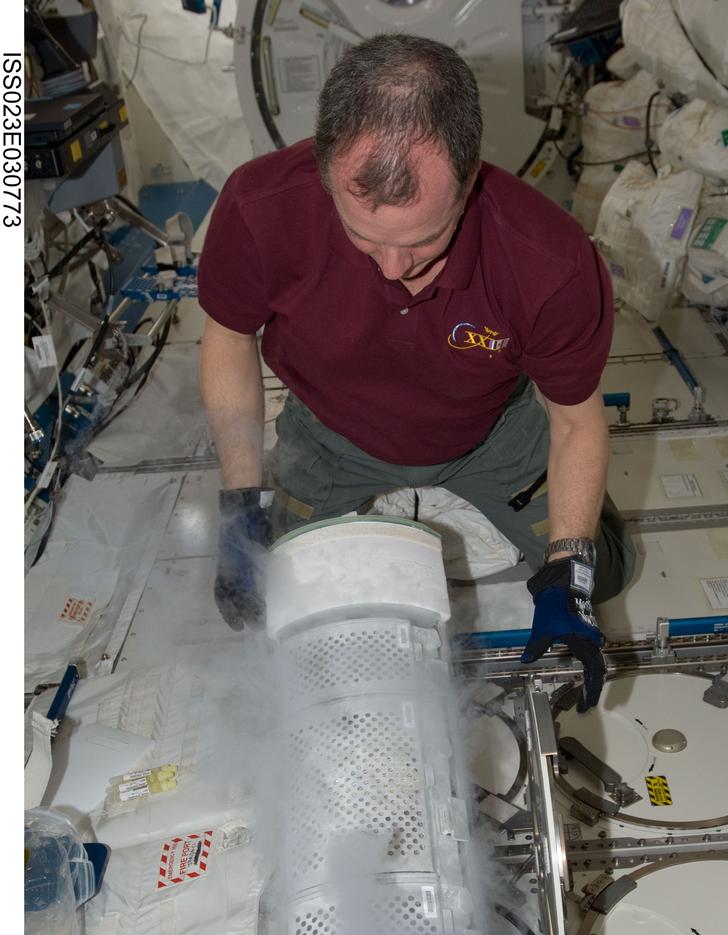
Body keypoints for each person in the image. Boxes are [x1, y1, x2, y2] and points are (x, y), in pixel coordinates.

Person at [197, 33, 635, 710]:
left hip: (490, 431)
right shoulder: (260, 208)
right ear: (323, 173)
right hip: (332, 430)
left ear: (470, 178)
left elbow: (576, 422)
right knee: (267, 584)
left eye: (424, 241)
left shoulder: (550, 261)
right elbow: (229, 339)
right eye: (365, 239)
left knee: (600, 574)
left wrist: (569, 570)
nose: (394, 272)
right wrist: (240, 503)